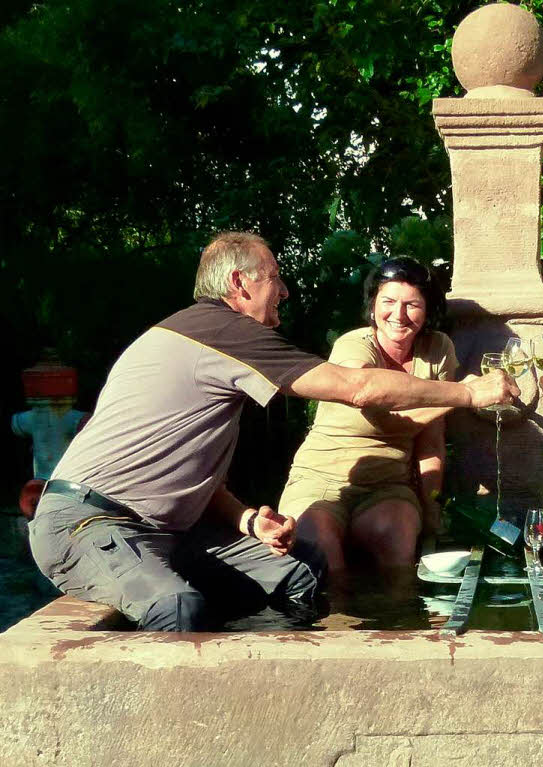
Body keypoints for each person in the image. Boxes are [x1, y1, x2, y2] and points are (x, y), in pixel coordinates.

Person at [28, 232, 517, 631]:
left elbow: (187, 473)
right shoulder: (224, 333)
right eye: (276, 278)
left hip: (168, 529)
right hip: (89, 523)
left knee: (298, 571)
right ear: (240, 283)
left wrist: (245, 521)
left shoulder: (209, 339)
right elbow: (359, 387)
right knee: (175, 607)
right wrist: (470, 394)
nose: (283, 291)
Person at [279, 257, 455, 579]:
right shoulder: (354, 345)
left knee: (398, 538)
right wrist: (462, 396)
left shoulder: (438, 349)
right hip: (320, 480)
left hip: (387, 485)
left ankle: (403, 624)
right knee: (320, 554)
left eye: (412, 304)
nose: (398, 315)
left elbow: (430, 442)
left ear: (428, 310)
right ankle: (338, 627)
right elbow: (377, 405)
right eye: (388, 301)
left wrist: (432, 508)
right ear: (373, 306)